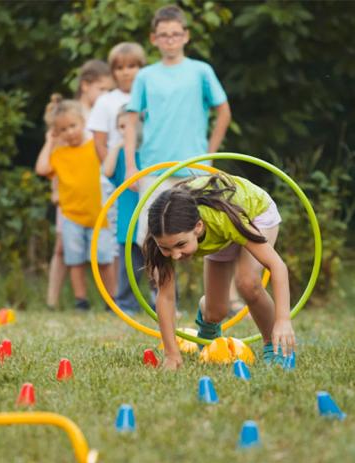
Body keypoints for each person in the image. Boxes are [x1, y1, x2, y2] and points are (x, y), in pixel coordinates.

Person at [142, 173, 294, 370]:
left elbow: (277, 266)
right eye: (166, 248)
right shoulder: (162, 236)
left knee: (247, 283)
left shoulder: (222, 219)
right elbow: (166, 297)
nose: (175, 255)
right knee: (215, 312)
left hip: (254, 214)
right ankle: (208, 330)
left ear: (198, 227)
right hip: (220, 234)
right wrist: (171, 354)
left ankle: (274, 346)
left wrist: (283, 320)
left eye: (181, 245)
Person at [123, 4, 231, 250]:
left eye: (175, 34)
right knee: (151, 238)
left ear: (186, 35)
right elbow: (131, 122)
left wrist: (210, 156)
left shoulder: (201, 71)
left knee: (208, 233)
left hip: (195, 167)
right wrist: (131, 166)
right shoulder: (145, 76)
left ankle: (215, 288)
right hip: (154, 167)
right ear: (154, 39)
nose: (170, 40)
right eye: (164, 35)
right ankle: (162, 290)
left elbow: (224, 111)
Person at [45, 62, 114, 309]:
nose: (107, 94)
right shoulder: (68, 116)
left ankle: (112, 299)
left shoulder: (104, 112)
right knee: (64, 249)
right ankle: (57, 302)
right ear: (86, 86)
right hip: (71, 197)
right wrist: (55, 190)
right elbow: (54, 162)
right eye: (103, 89)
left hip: (98, 196)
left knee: (105, 251)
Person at [101, 108, 144, 315]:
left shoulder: (148, 153)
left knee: (158, 263)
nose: (125, 130)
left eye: (129, 126)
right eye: (121, 127)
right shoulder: (119, 156)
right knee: (129, 267)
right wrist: (119, 145)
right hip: (128, 221)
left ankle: (162, 301)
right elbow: (107, 172)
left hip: (149, 220)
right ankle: (126, 304)